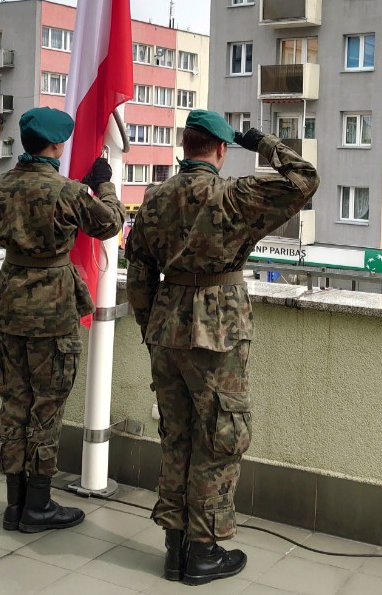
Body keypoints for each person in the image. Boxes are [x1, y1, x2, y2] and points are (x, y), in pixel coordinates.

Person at [125, 110, 319, 585]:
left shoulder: (155, 198)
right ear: (219, 149)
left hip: (166, 327)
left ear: (185, 145)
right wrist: (263, 143)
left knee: (177, 436)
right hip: (218, 329)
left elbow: (139, 272)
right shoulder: (233, 195)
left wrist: (153, 328)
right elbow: (305, 180)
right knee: (220, 436)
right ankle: (203, 550)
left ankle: (175, 548)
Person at [0, 108, 125, 533]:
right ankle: (38, 505)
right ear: (57, 145)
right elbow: (110, 224)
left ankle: (14, 504)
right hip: (52, 308)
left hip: (10, 302)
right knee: (46, 408)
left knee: (14, 405)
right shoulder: (68, 192)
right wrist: (104, 184)